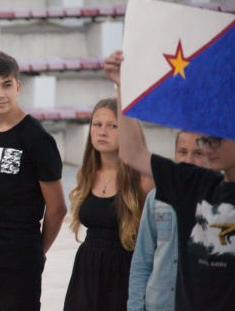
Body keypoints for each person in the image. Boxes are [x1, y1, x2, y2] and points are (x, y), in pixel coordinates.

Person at [104, 49, 235, 310]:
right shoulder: (195, 183)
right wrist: (123, 86)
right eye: (205, 140)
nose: (208, 148)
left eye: (216, 139)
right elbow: (132, 153)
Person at [0, 50, 67, 311]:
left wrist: (37, 252)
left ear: (18, 87)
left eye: (6, 85)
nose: (0, 94)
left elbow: (57, 208)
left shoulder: (37, 140)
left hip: (19, 258)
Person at [64, 97, 151, 311]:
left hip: (125, 270)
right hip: (87, 269)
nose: (102, 132)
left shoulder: (144, 179)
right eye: (97, 124)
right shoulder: (85, 174)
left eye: (113, 126)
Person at [128, 131, 210, 311]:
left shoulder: (223, 202)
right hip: (159, 304)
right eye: (182, 152)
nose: (188, 160)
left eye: (198, 153)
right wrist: (135, 307)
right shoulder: (156, 198)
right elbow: (142, 260)